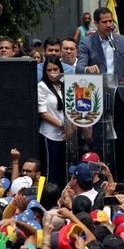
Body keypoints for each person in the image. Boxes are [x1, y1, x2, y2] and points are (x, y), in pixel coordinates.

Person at [76, 7, 124, 181]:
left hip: (119, 94)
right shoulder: (87, 42)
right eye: (105, 22)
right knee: (100, 142)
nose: (109, 25)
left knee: (123, 142)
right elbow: (79, 67)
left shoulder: (122, 41)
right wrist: (87, 69)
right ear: (96, 23)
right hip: (98, 98)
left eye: (111, 21)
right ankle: (99, 181)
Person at [38, 56, 70, 187]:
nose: (52, 73)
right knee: (50, 171)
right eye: (49, 70)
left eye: (55, 69)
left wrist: (70, 128)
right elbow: (43, 113)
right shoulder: (42, 86)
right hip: (49, 134)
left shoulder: (66, 85)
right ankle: (46, 199)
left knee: (63, 170)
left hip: (67, 135)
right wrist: (63, 126)